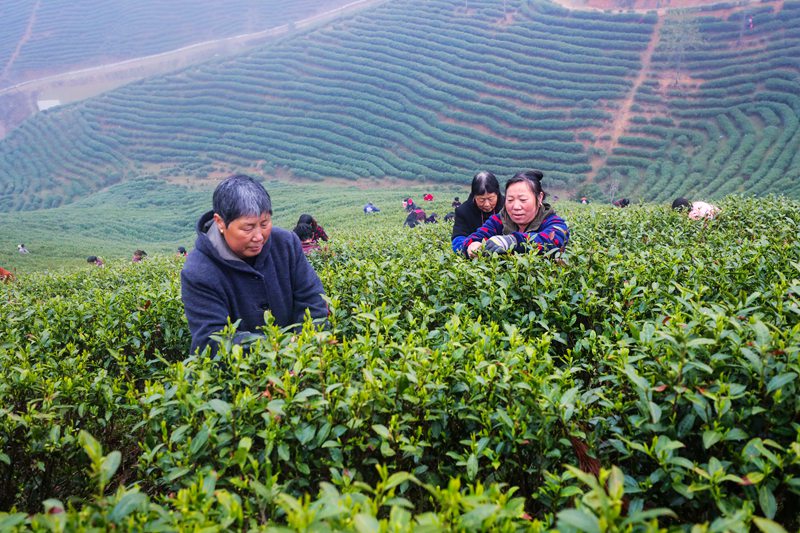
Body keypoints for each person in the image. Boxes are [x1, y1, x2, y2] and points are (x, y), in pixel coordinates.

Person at [181, 174, 327, 354]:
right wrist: (280, 349)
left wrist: (303, 346)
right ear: (220, 222)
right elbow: (212, 339)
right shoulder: (198, 271)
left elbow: (313, 300)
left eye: (264, 223)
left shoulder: (286, 243)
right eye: (248, 227)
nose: (259, 236)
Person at [463, 170, 569, 258]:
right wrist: (472, 246)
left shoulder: (554, 222)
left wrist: (512, 241)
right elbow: (474, 238)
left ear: (539, 197)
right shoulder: (498, 221)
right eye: (510, 200)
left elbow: (554, 240)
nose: (516, 206)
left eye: (523, 200)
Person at [451, 171, 504, 253]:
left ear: (497, 194)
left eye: (491, 199)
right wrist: (469, 247)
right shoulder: (463, 211)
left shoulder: (508, 206)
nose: (487, 204)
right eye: (481, 200)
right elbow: (458, 238)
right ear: (474, 196)